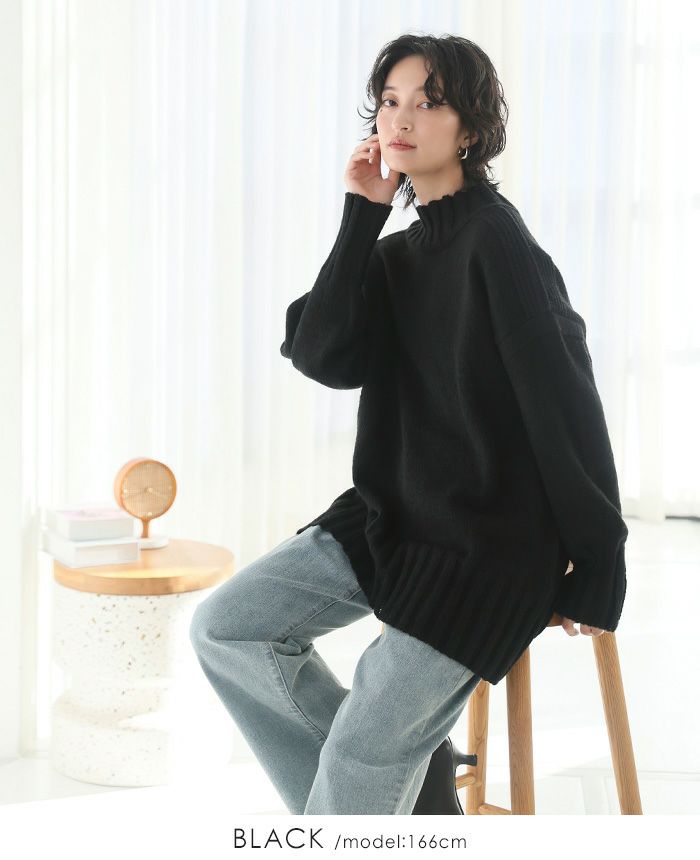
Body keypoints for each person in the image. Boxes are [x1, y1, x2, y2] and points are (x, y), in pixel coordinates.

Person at [189, 33, 628, 816]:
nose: (402, 118)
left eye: (428, 102)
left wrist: (599, 560)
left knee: (364, 750)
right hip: (393, 515)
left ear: (472, 129)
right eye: (390, 101)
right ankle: (412, 797)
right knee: (228, 627)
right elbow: (322, 353)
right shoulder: (399, 253)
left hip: (486, 546)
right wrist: (361, 215)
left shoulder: (496, 241)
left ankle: (381, 800)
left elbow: (566, 400)